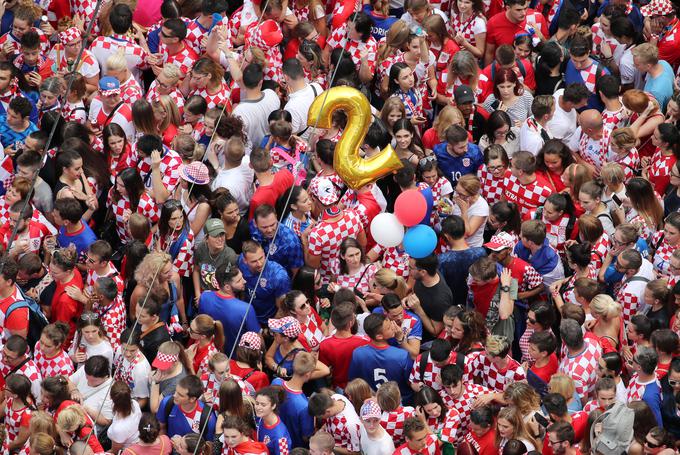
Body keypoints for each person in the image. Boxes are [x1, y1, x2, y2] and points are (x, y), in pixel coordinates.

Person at [349, 313, 413, 404]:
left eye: (390, 323)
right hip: (399, 402)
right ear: (379, 336)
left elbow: (354, 380)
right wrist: (401, 339)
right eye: (388, 328)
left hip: (371, 402)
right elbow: (410, 382)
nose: (393, 326)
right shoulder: (402, 355)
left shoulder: (358, 353)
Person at [156, 374, 217, 439]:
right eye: (176, 391)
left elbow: (208, 444)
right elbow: (161, 428)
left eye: (180, 395)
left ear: (192, 399)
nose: (174, 395)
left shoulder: (208, 418)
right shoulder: (167, 402)